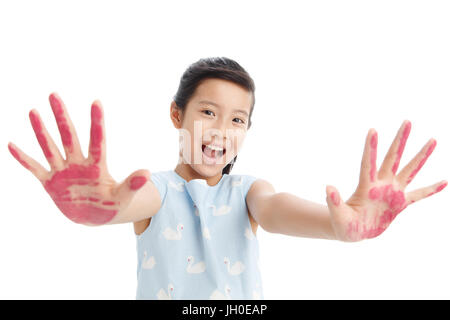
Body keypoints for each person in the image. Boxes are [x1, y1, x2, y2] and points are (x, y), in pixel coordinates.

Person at [7, 57, 447, 299]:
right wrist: (98, 209)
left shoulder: (248, 192)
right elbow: (129, 205)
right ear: (178, 115)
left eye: (238, 119)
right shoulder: (159, 191)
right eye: (208, 112)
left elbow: (276, 211)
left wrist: (339, 225)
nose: (221, 130)